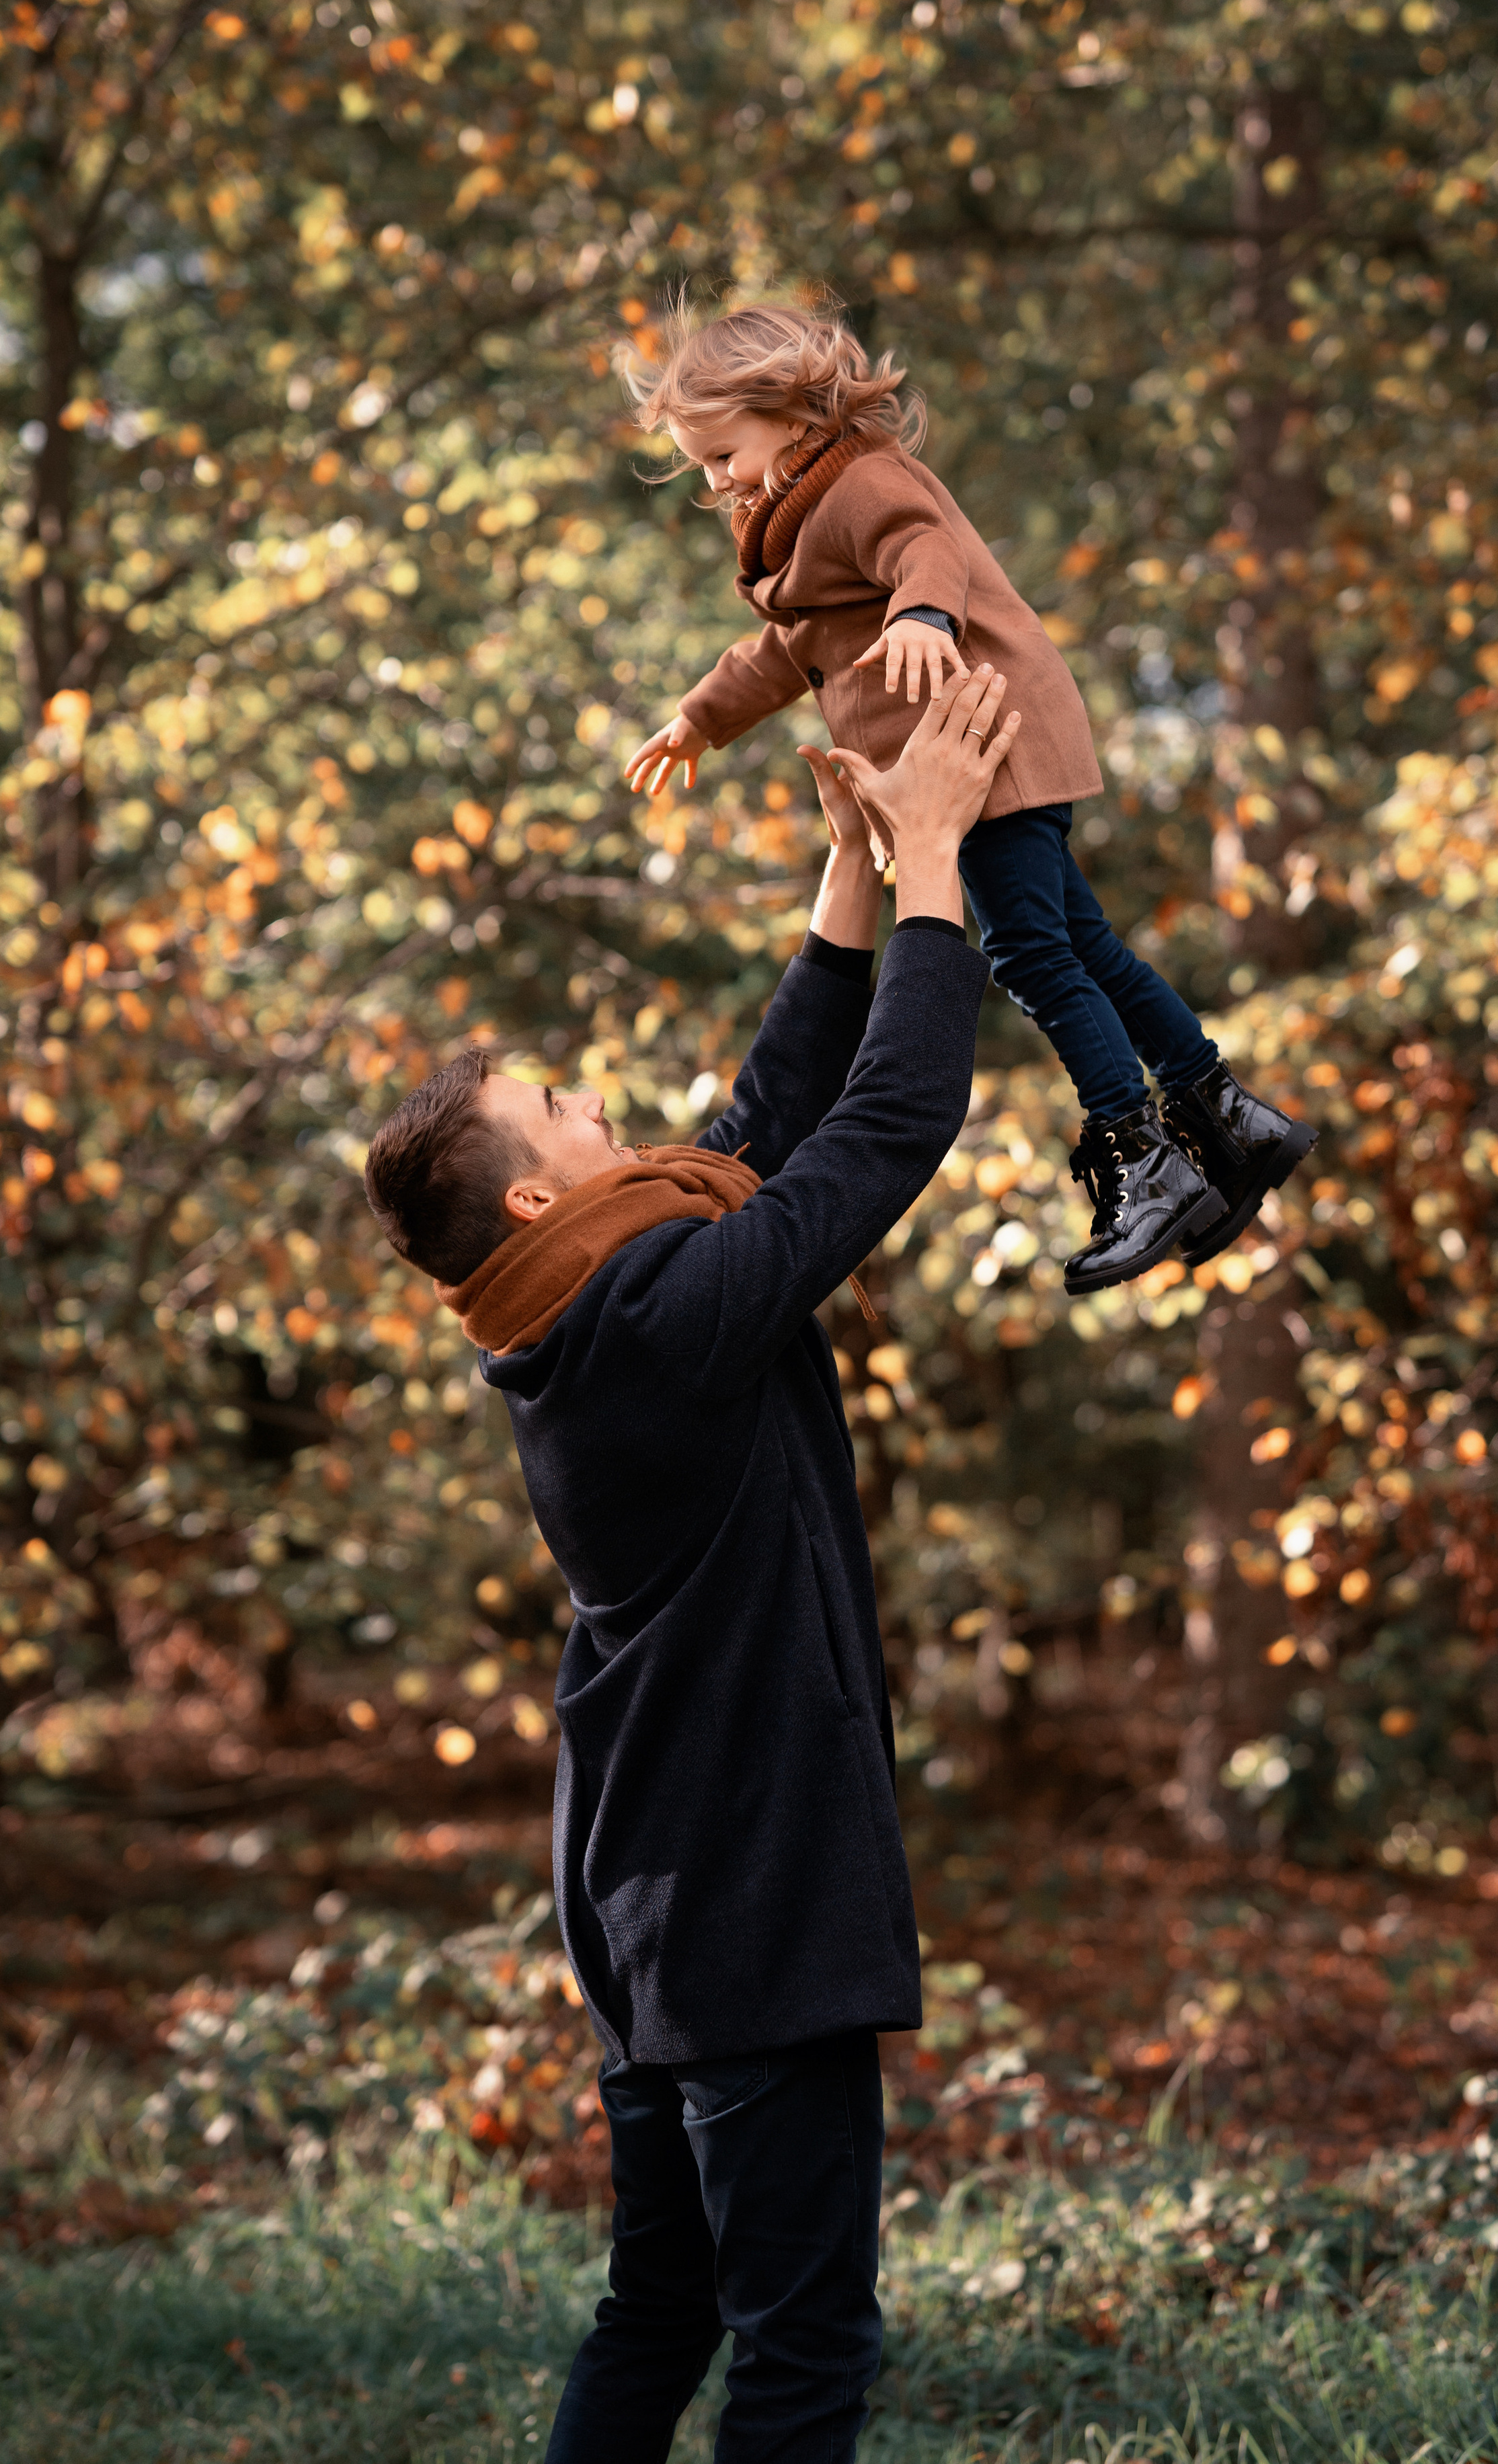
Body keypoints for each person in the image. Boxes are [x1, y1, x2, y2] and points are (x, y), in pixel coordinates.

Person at [362, 666, 1018, 2463]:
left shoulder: (590, 1300)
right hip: (743, 1898)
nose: (599, 1104)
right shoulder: (647, 1318)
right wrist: (943, 863)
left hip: (653, 1889)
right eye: (560, 1103)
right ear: (531, 1196)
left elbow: (765, 1119)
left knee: (661, 2307)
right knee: (801, 2350)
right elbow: (878, 1135)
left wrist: (855, 871)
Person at [619, 298, 1314, 1296]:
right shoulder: (802, 521)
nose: (716, 481)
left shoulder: (860, 481)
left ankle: (1142, 1153)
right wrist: (700, 717)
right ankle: (1226, 1118)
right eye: (702, 467)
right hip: (984, 753)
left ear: (795, 413)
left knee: (1030, 954)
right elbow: (787, 647)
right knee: (1084, 945)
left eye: (722, 455)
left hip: (985, 748)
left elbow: (926, 549)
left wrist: (924, 617)